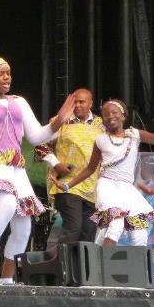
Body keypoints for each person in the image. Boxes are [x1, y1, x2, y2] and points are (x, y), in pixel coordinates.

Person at [0, 56, 76, 284]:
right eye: (1, 73)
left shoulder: (20, 102)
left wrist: (57, 123)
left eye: (9, 73)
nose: (7, 77)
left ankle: (7, 280)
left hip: (15, 167)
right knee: (7, 205)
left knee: (23, 225)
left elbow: (36, 136)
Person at [53, 98, 154, 246]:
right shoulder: (100, 140)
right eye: (106, 114)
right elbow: (90, 169)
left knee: (139, 233)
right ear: (102, 120)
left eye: (114, 112)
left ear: (123, 115)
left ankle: (135, 267)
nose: (110, 116)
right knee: (116, 224)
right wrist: (68, 185)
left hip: (127, 188)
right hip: (107, 186)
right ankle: (102, 267)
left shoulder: (134, 134)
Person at [35, 88, 104, 243]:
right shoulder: (60, 121)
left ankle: (83, 267)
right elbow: (40, 144)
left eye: (82, 102)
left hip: (93, 186)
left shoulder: (101, 124)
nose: (77, 105)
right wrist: (56, 163)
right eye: (75, 102)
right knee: (74, 227)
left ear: (90, 103)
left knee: (89, 231)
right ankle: (62, 266)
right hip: (66, 183)